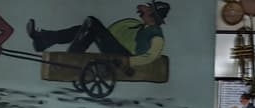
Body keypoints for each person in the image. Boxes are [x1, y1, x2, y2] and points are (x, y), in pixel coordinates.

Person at [25, 1, 170, 67]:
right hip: (119, 49)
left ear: (153, 16)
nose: (143, 12)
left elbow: (150, 56)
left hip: (124, 56)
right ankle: (43, 40)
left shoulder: (156, 35)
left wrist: (129, 62)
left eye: (148, 11)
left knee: (91, 23)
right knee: (84, 28)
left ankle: (71, 57)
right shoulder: (140, 26)